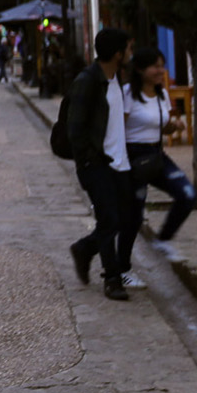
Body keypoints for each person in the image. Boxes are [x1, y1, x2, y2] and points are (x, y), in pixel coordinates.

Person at [66, 27, 136, 300]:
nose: (131, 54)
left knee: (125, 218)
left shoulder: (116, 78)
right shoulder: (88, 81)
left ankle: (84, 248)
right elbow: (75, 129)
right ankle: (112, 278)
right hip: (97, 164)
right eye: (128, 49)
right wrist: (88, 161)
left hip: (120, 163)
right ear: (118, 54)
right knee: (109, 219)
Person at [120, 48, 197, 267]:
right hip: (133, 157)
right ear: (140, 69)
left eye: (162, 65)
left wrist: (175, 126)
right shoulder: (128, 95)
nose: (160, 70)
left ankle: (163, 240)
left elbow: (163, 128)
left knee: (188, 195)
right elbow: (118, 128)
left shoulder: (162, 94)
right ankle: (120, 267)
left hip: (156, 155)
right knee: (134, 216)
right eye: (155, 66)